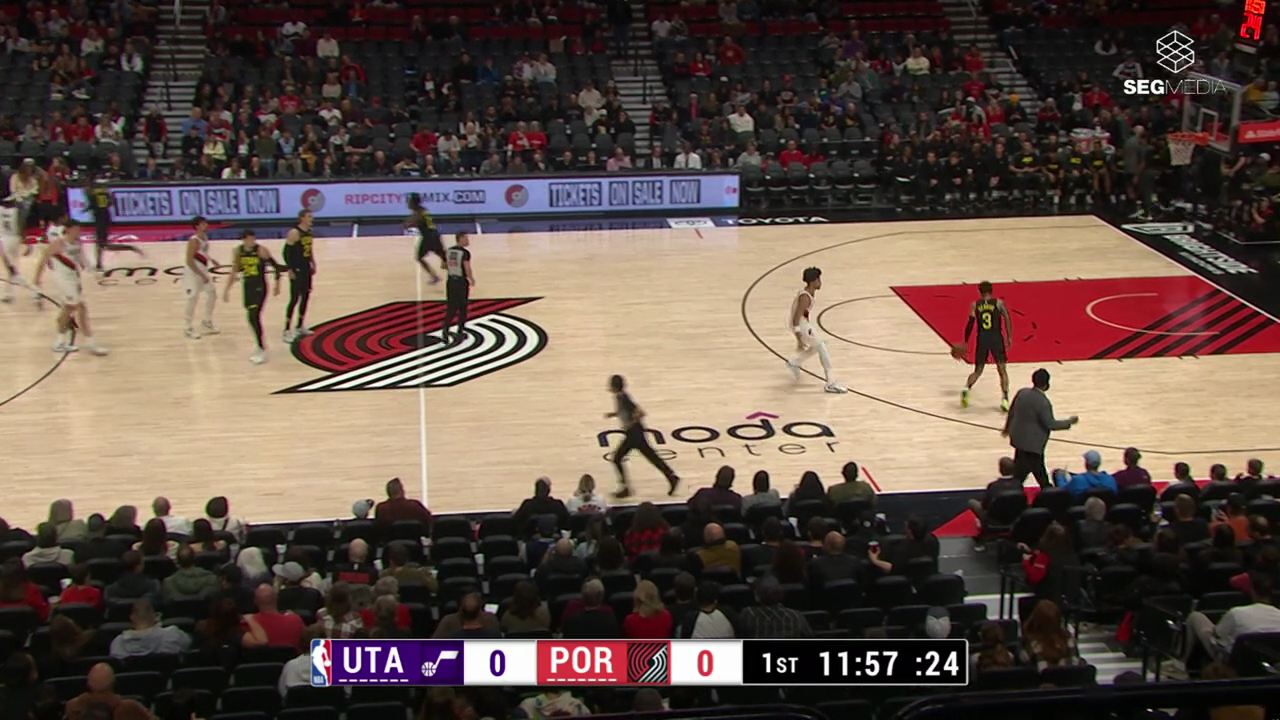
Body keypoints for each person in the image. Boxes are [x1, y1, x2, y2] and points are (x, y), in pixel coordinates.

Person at [33, 220, 107, 355]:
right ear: (68, 229)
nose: (78, 232)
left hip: (74, 279)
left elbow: (84, 261)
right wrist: (37, 280)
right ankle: (91, 344)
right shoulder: (58, 243)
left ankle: (60, 342)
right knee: (81, 308)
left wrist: (95, 274)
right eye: (76, 229)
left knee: (68, 309)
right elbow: (42, 261)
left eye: (79, 229)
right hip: (63, 280)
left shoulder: (78, 243)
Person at [606, 374, 680, 498]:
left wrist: (631, 423)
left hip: (634, 433)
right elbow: (625, 411)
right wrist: (614, 414)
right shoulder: (620, 396)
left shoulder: (624, 398)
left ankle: (625, 488)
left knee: (617, 458)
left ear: (614, 386)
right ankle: (671, 476)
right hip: (635, 433)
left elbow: (640, 413)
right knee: (651, 456)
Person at [1002, 368, 1078, 488]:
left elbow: (1012, 411)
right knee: (1041, 478)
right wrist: (1069, 422)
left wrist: (1007, 427)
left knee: (1019, 475)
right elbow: (1050, 424)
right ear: (1047, 384)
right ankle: (1048, 495)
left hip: (1019, 441)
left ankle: (1011, 490)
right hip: (1033, 447)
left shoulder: (1022, 393)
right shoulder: (1043, 402)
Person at [222, 228, 282, 365]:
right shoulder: (238, 251)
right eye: (249, 239)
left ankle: (261, 347)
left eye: (253, 238)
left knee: (253, 316)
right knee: (251, 317)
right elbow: (234, 271)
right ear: (244, 239)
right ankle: (260, 345)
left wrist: (277, 284)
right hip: (247, 286)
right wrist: (227, 289)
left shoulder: (261, 250)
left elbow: (276, 267)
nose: (252, 241)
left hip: (259, 286)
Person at [785, 266, 848, 393]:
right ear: (813, 281)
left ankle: (794, 362)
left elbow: (803, 314)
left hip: (804, 324)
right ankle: (830, 383)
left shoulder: (808, 294)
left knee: (820, 344)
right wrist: (798, 337)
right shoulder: (805, 297)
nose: (820, 282)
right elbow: (796, 317)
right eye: (819, 279)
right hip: (800, 326)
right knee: (821, 346)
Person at [959, 281, 1011, 410]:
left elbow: (970, 324)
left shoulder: (975, 305)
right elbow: (1007, 318)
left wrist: (965, 341)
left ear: (979, 291)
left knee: (978, 370)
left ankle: (966, 388)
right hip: (996, 338)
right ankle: (1005, 399)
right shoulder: (998, 303)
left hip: (982, 338)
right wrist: (1009, 336)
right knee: (1002, 369)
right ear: (991, 290)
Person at [84, 178, 142, 272]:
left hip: (100, 220)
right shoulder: (104, 192)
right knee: (101, 244)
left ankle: (129, 248)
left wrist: (89, 206)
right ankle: (99, 264)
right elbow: (111, 202)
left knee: (103, 245)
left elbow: (91, 200)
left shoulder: (92, 193)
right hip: (105, 218)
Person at [181, 215, 219, 339]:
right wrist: (201, 275)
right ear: (197, 226)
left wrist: (212, 259)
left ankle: (206, 321)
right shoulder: (193, 240)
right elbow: (189, 260)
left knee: (212, 294)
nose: (206, 225)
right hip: (193, 272)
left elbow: (203, 252)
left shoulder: (204, 237)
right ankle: (187, 327)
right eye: (203, 224)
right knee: (192, 299)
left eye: (206, 223)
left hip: (203, 270)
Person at [282, 209, 317, 342]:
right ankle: (286, 330)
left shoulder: (309, 232)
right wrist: (290, 269)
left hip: (306, 267)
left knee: (306, 296)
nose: (311, 218)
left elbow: (309, 249)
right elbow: (286, 253)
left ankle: (300, 326)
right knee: (294, 299)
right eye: (309, 216)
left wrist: (313, 262)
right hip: (297, 269)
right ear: (302, 218)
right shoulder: (294, 233)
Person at [440, 231, 474, 346]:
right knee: (463, 308)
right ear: (460, 239)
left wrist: (452, 268)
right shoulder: (465, 253)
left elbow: (443, 266)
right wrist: (471, 278)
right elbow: (467, 268)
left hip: (450, 282)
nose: (468, 240)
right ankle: (460, 331)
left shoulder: (449, 251)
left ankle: (445, 332)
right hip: (461, 282)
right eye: (466, 238)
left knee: (451, 308)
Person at [406, 192, 443, 285]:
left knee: (419, 257)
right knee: (444, 257)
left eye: (409, 202)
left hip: (428, 237)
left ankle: (435, 276)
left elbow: (412, 222)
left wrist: (408, 224)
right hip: (434, 235)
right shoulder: (423, 210)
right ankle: (454, 273)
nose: (408, 204)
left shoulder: (418, 213)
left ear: (413, 203)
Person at [0, 196, 32, 303]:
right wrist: (26, 241)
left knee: (11, 268)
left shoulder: (1, 209)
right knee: (11, 266)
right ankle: (8, 293)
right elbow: (21, 226)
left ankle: (30, 288)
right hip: (15, 239)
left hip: (5, 239)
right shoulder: (17, 211)